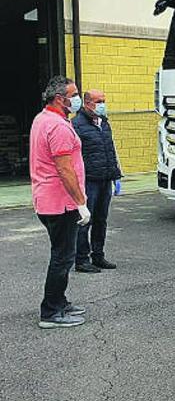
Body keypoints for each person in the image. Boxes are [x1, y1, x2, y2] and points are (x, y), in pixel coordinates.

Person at [30, 76, 91, 329]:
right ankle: (51, 311)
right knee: (63, 256)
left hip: (46, 199)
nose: (76, 99)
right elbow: (65, 170)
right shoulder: (58, 127)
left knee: (63, 253)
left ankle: (60, 301)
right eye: (73, 94)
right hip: (60, 203)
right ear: (60, 99)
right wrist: (81, 203)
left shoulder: (42, 119)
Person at [72, 89, 122, 273]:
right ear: (87, 103)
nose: (102, 104)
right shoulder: (77, 125)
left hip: (105, 178)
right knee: (86, 220)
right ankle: (81, 259)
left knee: (101, 219)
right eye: (98, 101)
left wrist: (116, 175)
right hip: (89, 181)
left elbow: (110, 150)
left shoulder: (104, 122)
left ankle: (98, 255)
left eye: (104, 100)